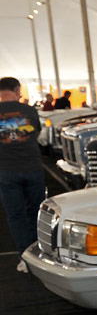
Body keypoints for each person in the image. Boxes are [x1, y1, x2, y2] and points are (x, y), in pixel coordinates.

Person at [0, 77, 46, 273]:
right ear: (17, 89)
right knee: (36, 213)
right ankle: (40, 255)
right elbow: (36, 132)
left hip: (6, 171)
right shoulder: (29, 110)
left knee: (15, 215)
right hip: (33, 168)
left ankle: (25, 259)